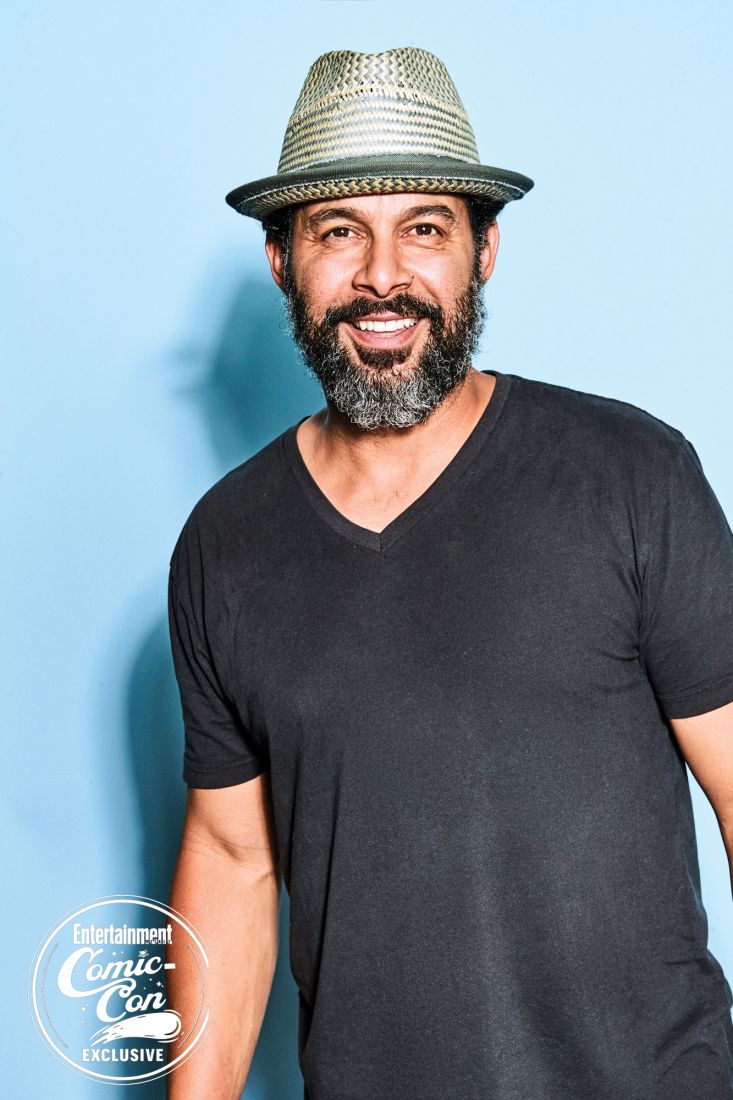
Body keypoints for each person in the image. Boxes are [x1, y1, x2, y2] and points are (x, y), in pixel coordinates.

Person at [165, 47, 733, 1100]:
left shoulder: (629, 476)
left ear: (484, 251)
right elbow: (233, 859)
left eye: (424, 228)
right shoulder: (224, 543)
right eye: (339, 231)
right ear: (282, 261)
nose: (383, 276)